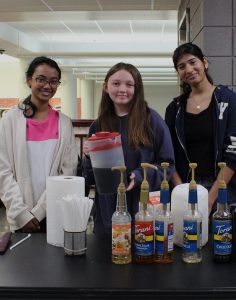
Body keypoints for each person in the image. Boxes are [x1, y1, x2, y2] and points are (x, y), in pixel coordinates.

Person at [82, 62, 175, 234]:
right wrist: (88, 157)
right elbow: (93, 176)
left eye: (129, 84)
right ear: (105, 87)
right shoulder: (98, 125)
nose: (122, 89)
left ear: (137, 88)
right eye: (116, 83)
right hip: (108, 212)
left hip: (143, 209)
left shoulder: (152, 120)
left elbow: (167, 165)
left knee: (142, 253)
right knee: (107, 257)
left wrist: (140, 176)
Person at [0, 56, 78, 232]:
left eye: (53, 81)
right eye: (41, 79)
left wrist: (40, 211)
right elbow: (2, 172)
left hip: (54, 212)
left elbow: (67, 172)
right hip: (20, 216)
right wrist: (21, 213)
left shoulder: (64, 123)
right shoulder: (10, 120)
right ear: (29, 80)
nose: (47, 86)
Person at [165, 42, 236, 215]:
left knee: (221, 240)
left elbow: (234, 152)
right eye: (181, 66)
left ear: (204, 62)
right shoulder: (174, 108)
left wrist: (211, 199)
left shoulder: (228, 100)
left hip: (224, 188)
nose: (188, 69)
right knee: (187, 240)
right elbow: (168, 153)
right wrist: (181, 191)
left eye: (192, 62)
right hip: (187, 187)